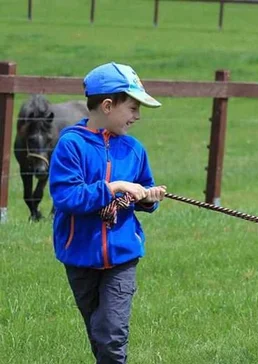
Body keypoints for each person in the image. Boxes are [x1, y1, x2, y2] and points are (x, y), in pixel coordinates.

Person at [49, 62, 166, 364]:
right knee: (99, 333)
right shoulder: (70, 145)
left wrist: (148, 197)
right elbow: (66, 196)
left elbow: (144, 187)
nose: (137, 116)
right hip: (79, 256)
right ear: (108, 105)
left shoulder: (135, 149)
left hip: (122, 256)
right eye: (133, 108)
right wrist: (112, 188)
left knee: (112, 334)